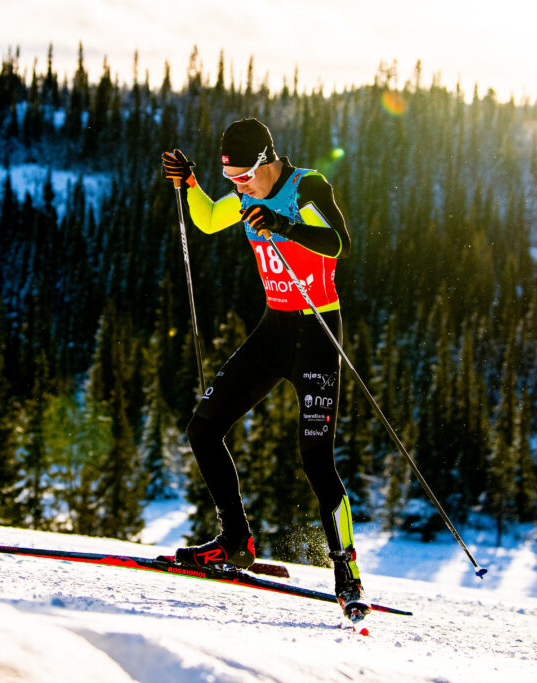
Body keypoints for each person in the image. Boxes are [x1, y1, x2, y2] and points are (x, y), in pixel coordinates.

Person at [161, 118, 369, 622]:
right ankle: (235, 541)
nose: (239, 188)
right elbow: (209, 220)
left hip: (317, 332)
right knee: (203, 429)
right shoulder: (244, 195)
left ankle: (347, 576)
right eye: (230, 179)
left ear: (267, 160)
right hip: (274, 329)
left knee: (316, 459)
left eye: (244, 177)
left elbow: (339, 242)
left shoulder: (306, 186)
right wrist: (191, 184)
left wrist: (285, 225)